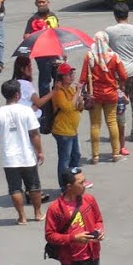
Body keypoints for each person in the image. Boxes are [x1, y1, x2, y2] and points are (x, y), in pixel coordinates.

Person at [0, 79, 45, 224]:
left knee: (15, 189)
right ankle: (38, 213)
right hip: (27, 155)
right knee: (34, 186)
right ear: (17, 95)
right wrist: (39, 151)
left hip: (9, 158)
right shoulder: (26, 110)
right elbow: (34, 134)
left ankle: (22, 217)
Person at [81, 31, 128, 164]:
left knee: (95, 125)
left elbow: (83, 78)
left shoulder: (89, 56)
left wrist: (81, 91)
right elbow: (124, 76)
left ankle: (95, 156)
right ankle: (115, 153)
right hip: (111, 94)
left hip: (94, 95)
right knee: (112, 122)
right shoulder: (114, 57)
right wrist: (118, 83)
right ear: (107, 41)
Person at [106, 3, 133, 144]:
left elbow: (106, 52)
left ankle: (119, 134)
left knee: (119, 104)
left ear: (115, 15)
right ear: (128, 14)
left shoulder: (109, 31)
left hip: (118, 74)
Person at [50, 62, 86, 192]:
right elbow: (67, 107)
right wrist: (77, 93)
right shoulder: (59, 92)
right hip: (63, 131)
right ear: (61, 77)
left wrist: (81, 100)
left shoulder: (70, 89)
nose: (72, 76)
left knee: (76, 155)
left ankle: (75, 180)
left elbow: (78, 108)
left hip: (72, 130)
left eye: (72, 73)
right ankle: (64, 186)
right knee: (65, 159)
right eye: (69, 74)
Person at [24, 0, 59, 97]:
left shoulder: (53, 16)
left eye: (44, 2)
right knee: (45, 82)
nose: (42, 4)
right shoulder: (33, 19)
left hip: (55, 52)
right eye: (39, 2)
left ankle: (56, 102)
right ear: (36, 4)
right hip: (42, 55)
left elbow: (58, 33)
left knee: (59, 78)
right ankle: (45, 108)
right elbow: (26, 36)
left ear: (48, 2)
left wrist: (62, 51)